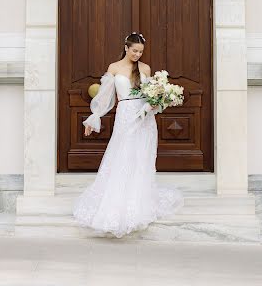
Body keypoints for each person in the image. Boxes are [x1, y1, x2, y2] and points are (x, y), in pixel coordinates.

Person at [72, 32, 184, 238]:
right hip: (125, 115)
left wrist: (152, 104)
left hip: (145, 117)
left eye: (141, 52)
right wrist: (94, 117)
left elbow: (154, 93)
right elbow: (105, 97)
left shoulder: (145, 68)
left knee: (142, 157)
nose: (137, 55)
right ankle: (117, 201)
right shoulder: (114, 68)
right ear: (126, 47)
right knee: (123, 155)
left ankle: (139, 200)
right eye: (134, 50)